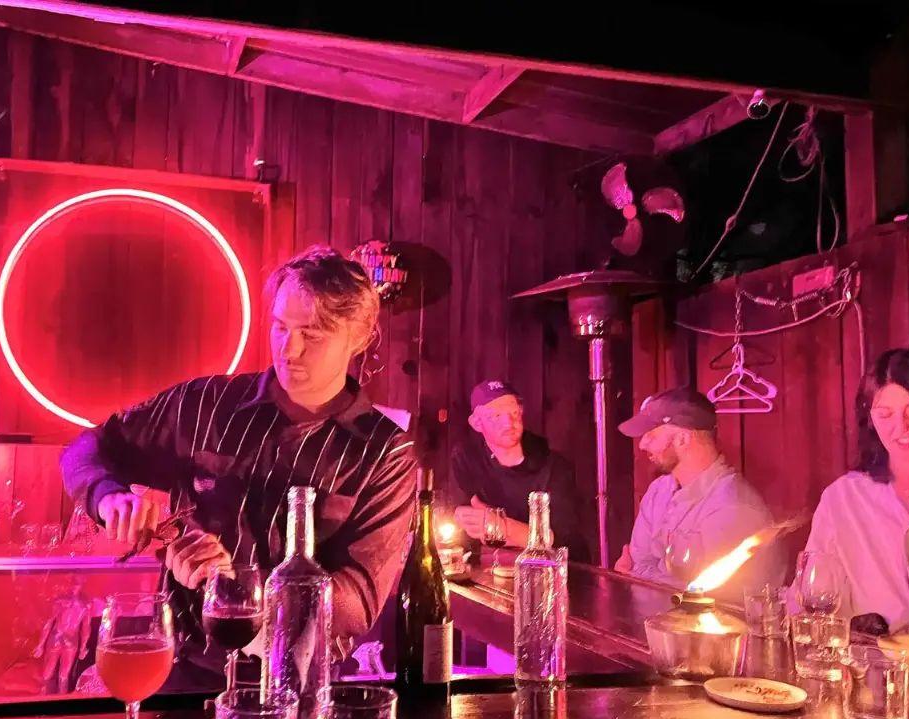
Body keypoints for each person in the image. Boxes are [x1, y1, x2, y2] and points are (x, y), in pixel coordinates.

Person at [60, 245, 417, 689]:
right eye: (281, 327)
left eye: (315, 334)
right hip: (184, 667)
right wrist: (105, 495)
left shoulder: (387, 453)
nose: (291, 349)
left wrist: (244, 587)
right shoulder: (204, 403)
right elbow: (87, 447)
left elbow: (358, 600)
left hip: (298, 679)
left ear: (360, 338)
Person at [795, 348, 909, 634]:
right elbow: (808, 605)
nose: (902, 428)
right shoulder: (843, 500)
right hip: (878, 672)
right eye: (885, 414)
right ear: (869, 418)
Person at [614, 387, 778, 592]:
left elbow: (707, 598)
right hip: (654, 621)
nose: (642, 444)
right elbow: (639, 562)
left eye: (651, 435)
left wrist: (636, 579)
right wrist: (641, 577)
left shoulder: (735, 508)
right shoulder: (658, 491)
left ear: (682, 439)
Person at [450, 380, 591, 563]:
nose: (509, 423)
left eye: (514, 413)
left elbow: (563, 541)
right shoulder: (467, 459)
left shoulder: (553, 467)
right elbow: (461, 522)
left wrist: (502, 527)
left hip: (552, 572)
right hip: (492, 574)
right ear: (476, 423)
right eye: (496, 415)